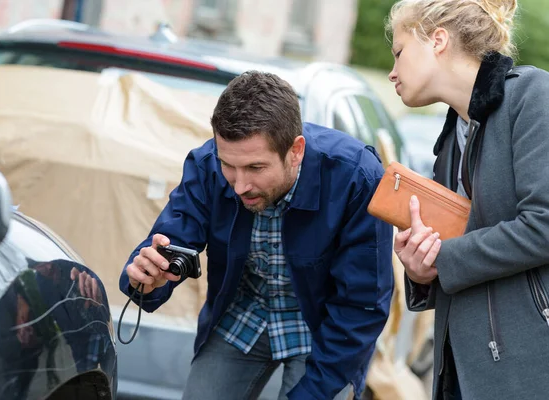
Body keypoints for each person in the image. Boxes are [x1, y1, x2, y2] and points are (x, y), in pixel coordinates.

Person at [119, 71, 394, 400]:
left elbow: (362, 303)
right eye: (229, 166)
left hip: (324, 328)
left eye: (255, 168)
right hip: (242, 313)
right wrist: (147, 278)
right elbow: (172, 237)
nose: (238, 185)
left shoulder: (357, 177)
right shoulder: (206, 165)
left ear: (296, 151)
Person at [387, 0, 549, 399]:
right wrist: (419, 268)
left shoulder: (532, 96)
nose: (392, 72)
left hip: (527, 368)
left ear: (437, 40)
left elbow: (543, 224)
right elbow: (458, 250)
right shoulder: (451, 140)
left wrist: (442, 257)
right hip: (459, 369)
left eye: (399, 52)